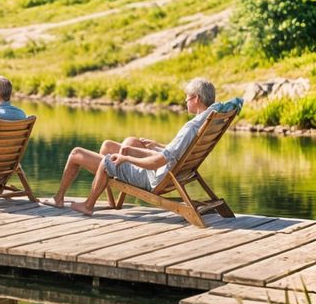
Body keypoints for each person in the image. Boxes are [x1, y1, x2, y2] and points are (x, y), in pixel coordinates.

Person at [42, 78, 228, 215]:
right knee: (112, 144)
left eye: (187, 98)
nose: (185, 101)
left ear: (196, 99)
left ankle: (84, 204)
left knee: (78, 154)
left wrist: (126, 158)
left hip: (155, 177)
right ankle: (110, 199)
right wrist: (157, 145)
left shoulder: (191, 127)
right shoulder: (205, 122)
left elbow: (159, 162)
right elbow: (179, 152)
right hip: (174, 171)